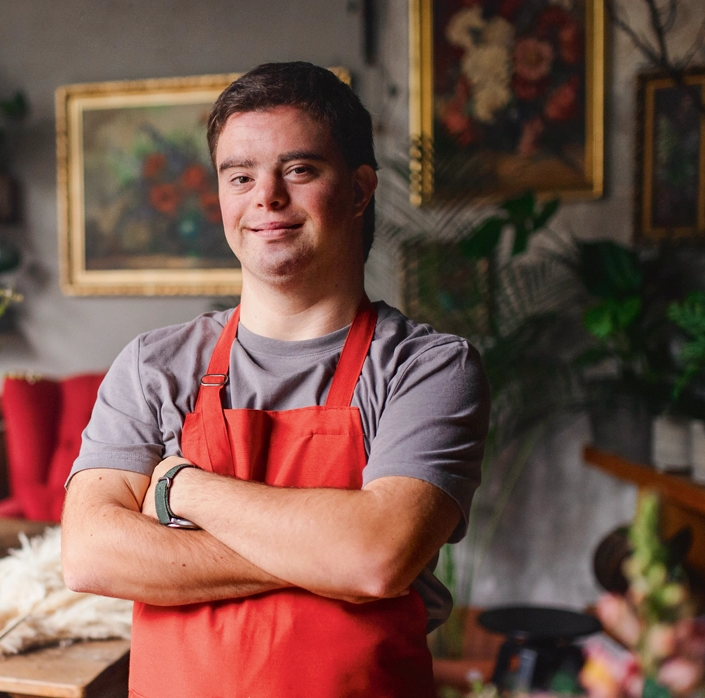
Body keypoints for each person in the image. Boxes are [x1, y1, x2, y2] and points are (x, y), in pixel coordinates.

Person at [61, 61, 489, 698]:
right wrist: (327, 557)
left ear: (359, 190)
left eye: (299, 170)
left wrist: (181, 488)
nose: (266, 197)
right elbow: (89, 554)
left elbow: (376, 556)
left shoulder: (427, 368)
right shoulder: (154, 365)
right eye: (240, 176)